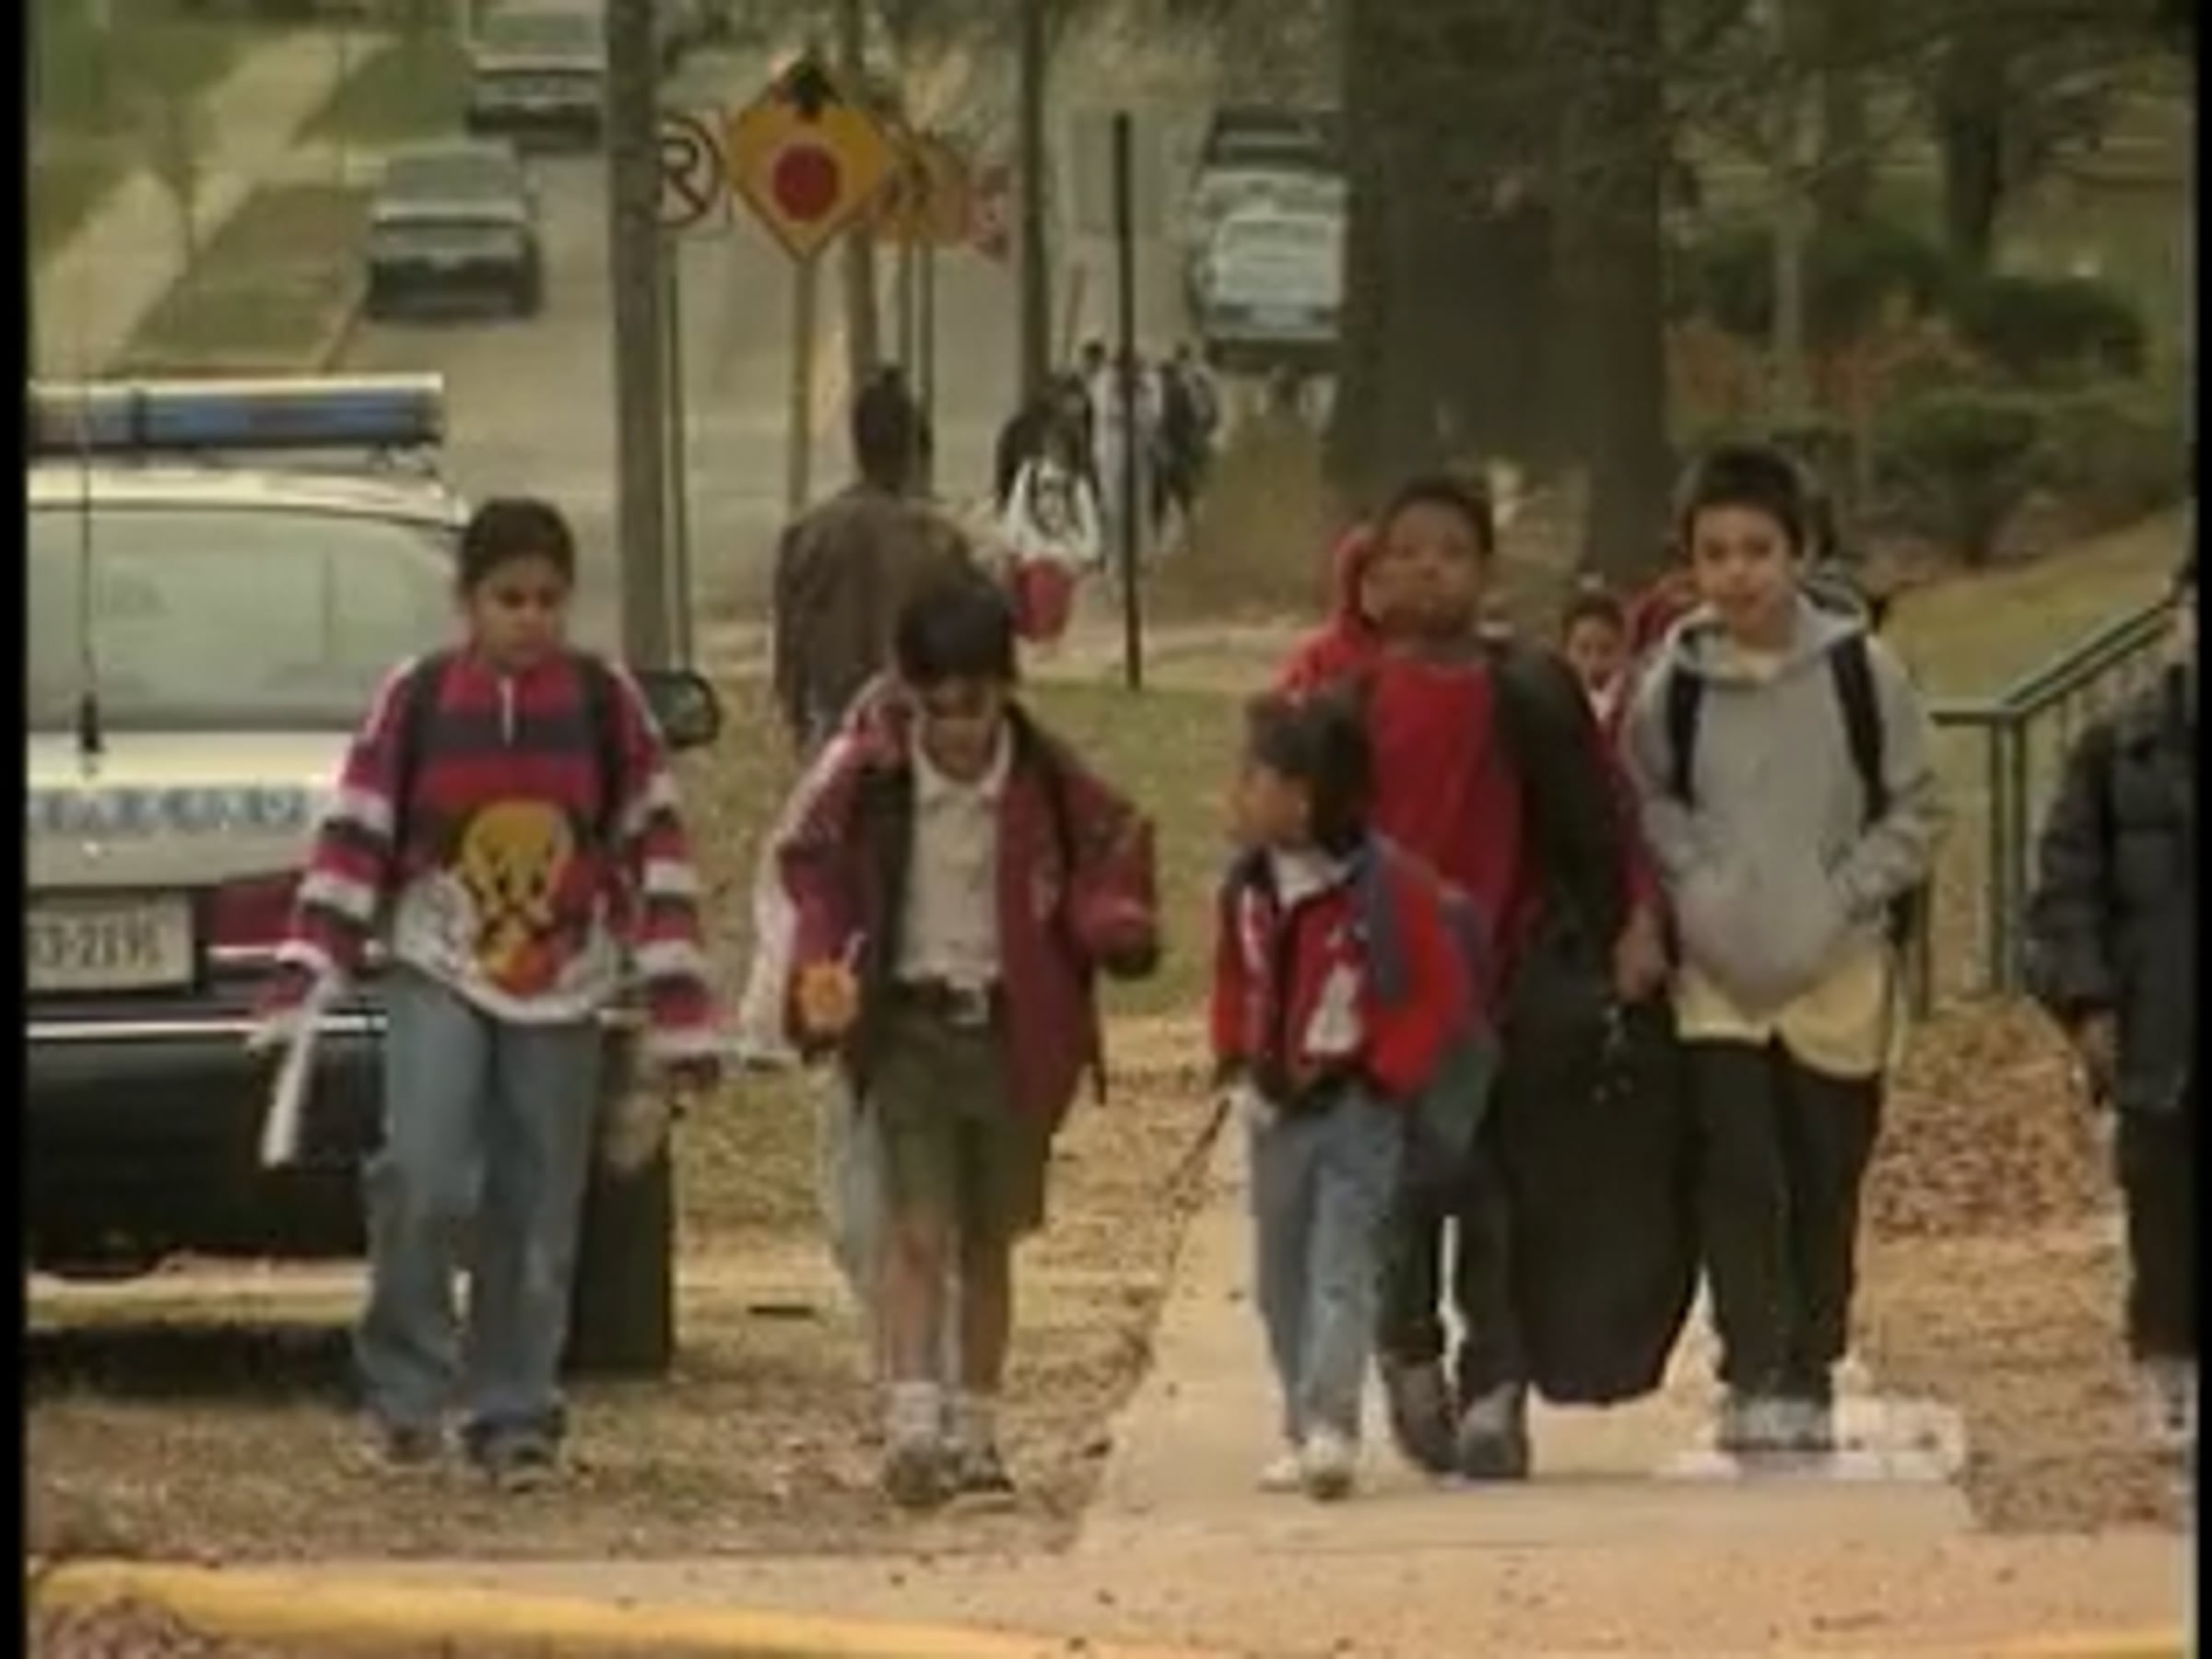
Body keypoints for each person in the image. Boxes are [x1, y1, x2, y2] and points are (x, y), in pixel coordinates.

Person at [250, 497, 719, 1488]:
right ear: (468, 602)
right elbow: (357, 834)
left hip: (565, 982)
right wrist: (308, 966)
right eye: (510, 598)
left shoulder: (604, 704)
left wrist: (679, 1006)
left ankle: (514, 1413)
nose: (530, 619)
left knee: (536, 1204)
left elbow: (656, 848)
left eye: (549, 599)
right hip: (438, 964)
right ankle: (405, 1389)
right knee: (422, 1173)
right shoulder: (419, 699)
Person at [1278, 474, 1669, 1482]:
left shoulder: (1528, 691)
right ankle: (1409, 1354)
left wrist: (1633, 919)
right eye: (1406, 554)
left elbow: (1602, 813)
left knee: (1503, 1197)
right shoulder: (1349, 707)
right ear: (1373, 577)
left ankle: (1498, 1384)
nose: (1428, 571)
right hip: (1389, 1001)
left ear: (1486, 573)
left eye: (1451, 553)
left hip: (1510, 985)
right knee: (1402, 1200)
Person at [775, 573, 1161, 1509]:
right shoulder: (874, 783)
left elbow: (1115, 849)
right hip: (908, 1026)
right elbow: (812, 863)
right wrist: (823, 963)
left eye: (974, 706)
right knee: (917, 1229)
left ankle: (978, 1430)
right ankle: (914, 1422)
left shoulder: (1048, 783)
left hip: (1010, 1035)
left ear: (1006, 689)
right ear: (909, 695)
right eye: (935, 708)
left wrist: (1111, 923)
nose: (956, 732)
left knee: (988, 1241)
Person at [1620, 441, 1945, 1457]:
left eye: (1758, 550)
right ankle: (1751, 1366)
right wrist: (1697, 884)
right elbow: (1648, 798)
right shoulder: (1673, 682)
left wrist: (1843, 896)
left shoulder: (1862, 673)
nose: (1738, 573)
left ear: (1799, 553)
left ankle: (1810, 1361)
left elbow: (1916, 809)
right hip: (1718, 977)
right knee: (1735, 1171)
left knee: (1821, 1173)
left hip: (1837, 972)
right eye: (1714, 553)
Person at [1212, 689, 1476, 1502]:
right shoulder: (1248, 887)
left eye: (1254, 778)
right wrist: (1232, 1056)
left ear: (1302, 796)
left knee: (1341, 1267)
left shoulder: (1386, 888)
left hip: (1358, 1107)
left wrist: (1387, 1070)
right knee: (1279, 1276)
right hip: (1275, 1110)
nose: (1238, 793)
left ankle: (1332, 1423)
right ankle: (1300, 1421)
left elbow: (1439, 991)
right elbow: (1233, 977)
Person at [2023, 548, 2195, 1461]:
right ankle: (2169, 1365)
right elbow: (2067, 887)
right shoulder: (2114, 750)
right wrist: (2087, 1000)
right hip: (2159, 1022)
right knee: (2162, 1206)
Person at [771, 374, 972, 759]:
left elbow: (789, 653)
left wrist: (798, 719)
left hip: (833, 731)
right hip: (915, 734)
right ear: (915, 452)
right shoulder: (938, 543)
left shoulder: (807, 535)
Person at [1559, 582, 1631, 737]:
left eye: (1606, 650)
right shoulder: (1552, 708)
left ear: (1624, 650)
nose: (1594, 663)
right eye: (1583, 650)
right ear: (1565, 651)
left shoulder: (1636, 710)